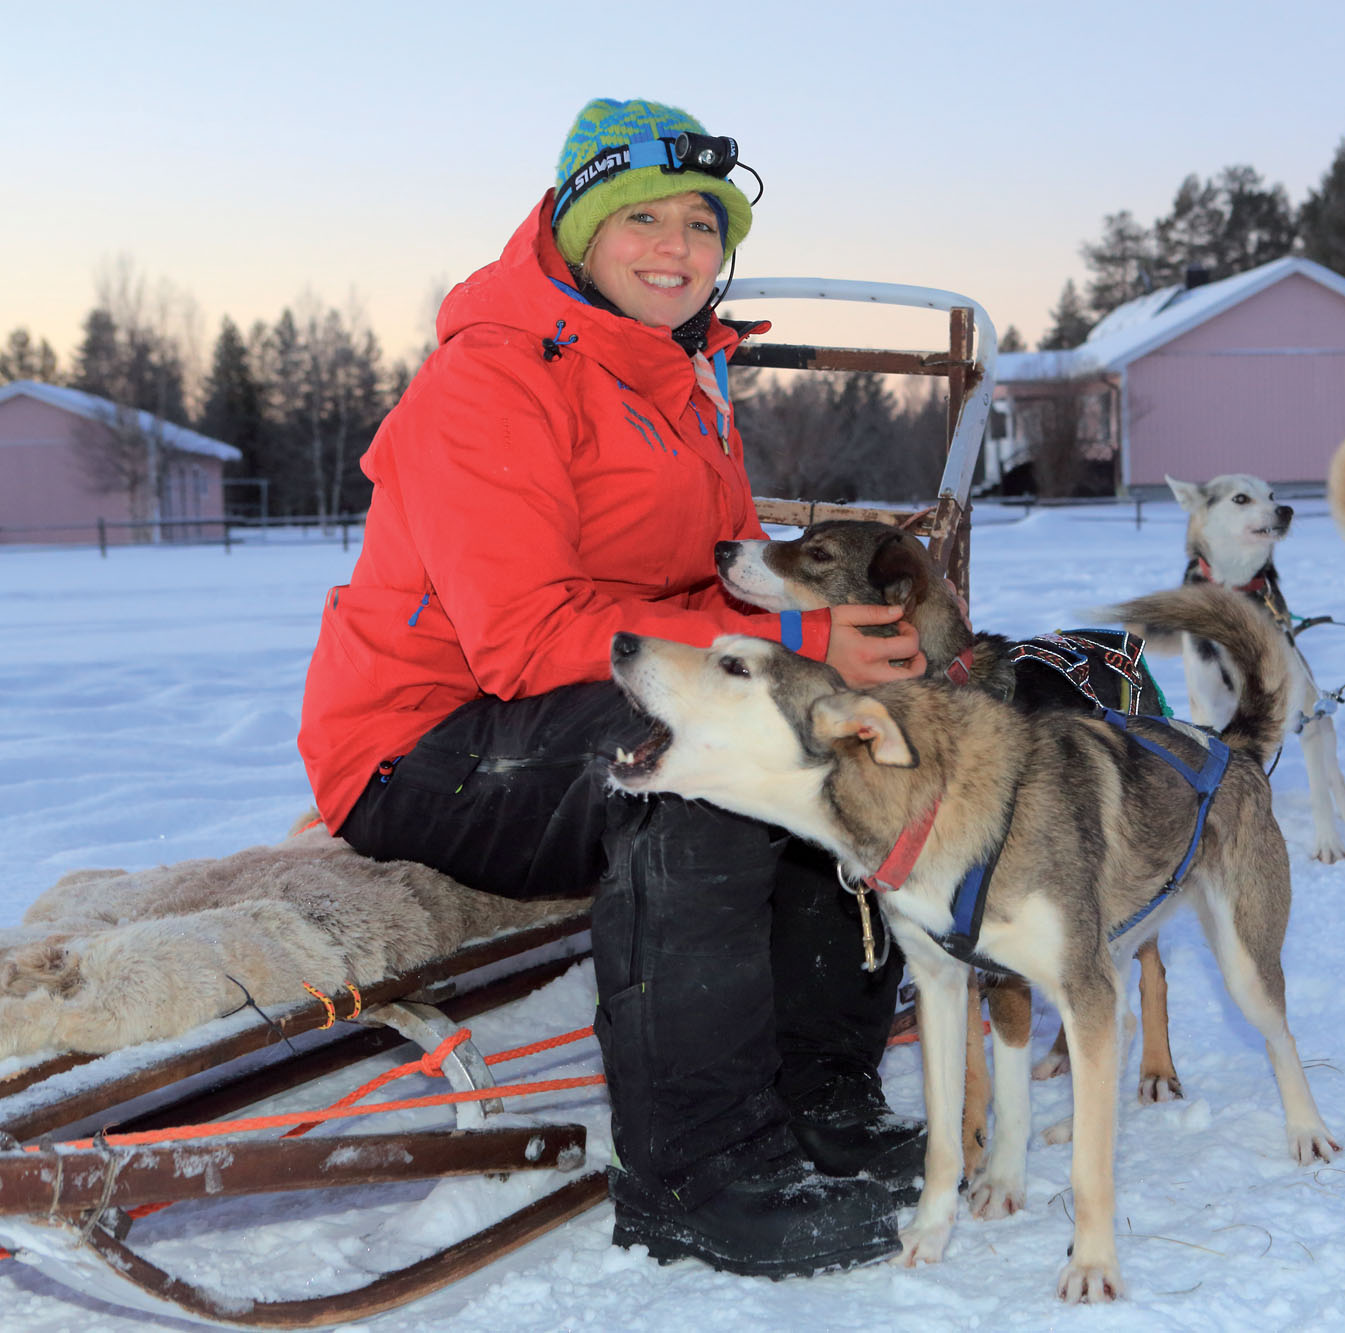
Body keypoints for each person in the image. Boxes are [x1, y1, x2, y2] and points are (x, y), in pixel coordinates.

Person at [297, 97, 928, 1279]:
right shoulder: (490, 377)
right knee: (702, 773)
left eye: (701, 221)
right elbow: (525, 641)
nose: (677, 246)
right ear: (576, 228)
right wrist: (794, 636)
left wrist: (826, 651)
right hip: (427, 745)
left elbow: (718, 586)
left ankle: (821, 1097)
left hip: (593, 698)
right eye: (641, 216)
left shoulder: (684, 381)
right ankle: (695, 1173)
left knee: (829, 736)